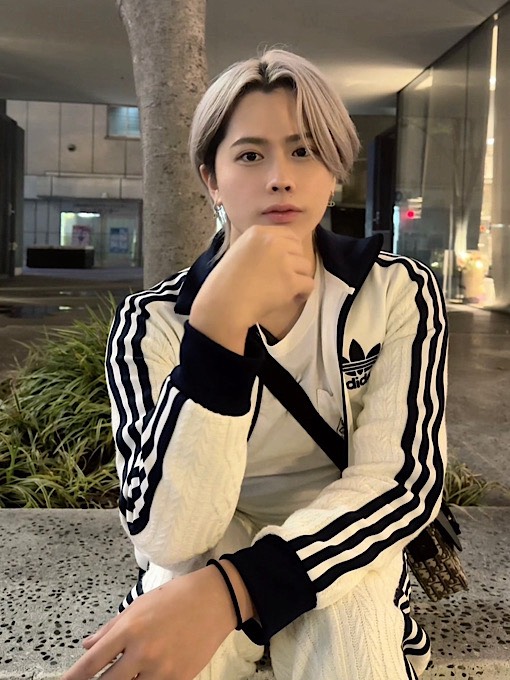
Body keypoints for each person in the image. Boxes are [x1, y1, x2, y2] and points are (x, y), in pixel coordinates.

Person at [62, 48, 447, 680]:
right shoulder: (152, 323)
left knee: (353, 645)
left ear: (334, 169)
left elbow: (399, 482)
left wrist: (236, 590)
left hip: (340, 539)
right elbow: (165, 533)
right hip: (208, 541)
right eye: (249, 155)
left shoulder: (396, 291)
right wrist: (216, 331)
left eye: (304, 150)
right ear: (211, 178)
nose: (280, 178)